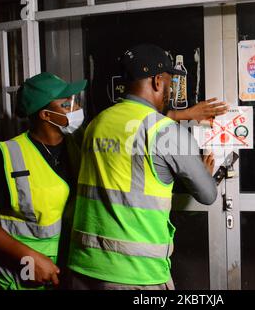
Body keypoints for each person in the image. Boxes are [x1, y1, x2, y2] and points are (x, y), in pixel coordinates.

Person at [67, 43, 222, 290]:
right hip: (136, 273)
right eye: (170, 84)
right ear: (158, 82)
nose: (170, 91)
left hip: (84, 265)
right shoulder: (167, 132)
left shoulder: (96, 123)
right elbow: (208, 194)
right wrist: (204, 173)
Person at [0, 72, 87, 290]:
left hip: (69, 272)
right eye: (66, 103)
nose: (76, 107)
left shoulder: (76, 146)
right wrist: (27, 257)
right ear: (45, 114)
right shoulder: (7, 156)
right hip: (22, 276)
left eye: (74, 101)